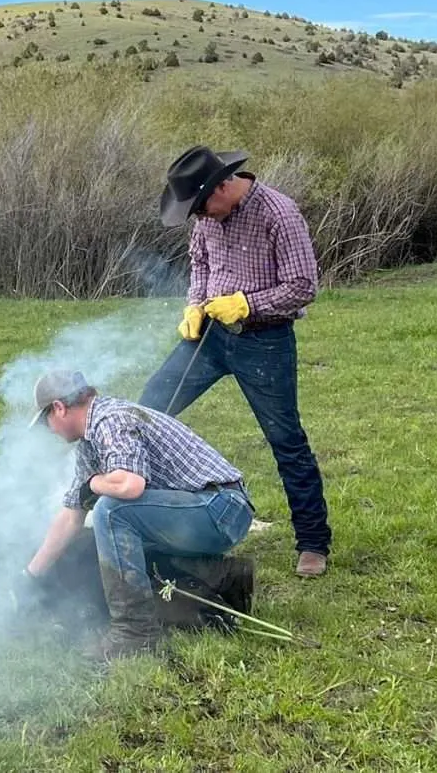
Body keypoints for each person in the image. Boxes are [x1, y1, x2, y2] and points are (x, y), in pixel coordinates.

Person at [139, 145, 332, 578]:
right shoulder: (207, 219)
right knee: (148, 411)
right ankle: (147, 516)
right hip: (210, 335)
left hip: (264, 341)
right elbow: (200, 263)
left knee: (285, 439)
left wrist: (247, 304)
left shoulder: (279, 214)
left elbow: (303, 286)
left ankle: (313, 543)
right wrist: (194, 304)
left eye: (201, 206)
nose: (200, 217)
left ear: (224, 185)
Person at [18, 370, 256, 662]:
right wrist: (30, 575)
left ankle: (136, 632)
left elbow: (130, 485)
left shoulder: (109, 419)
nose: (50, 429)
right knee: (115, 540)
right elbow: (71, 516)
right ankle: (224, 577)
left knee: (112, 512)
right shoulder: (89, 443)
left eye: (46, 421)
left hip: (220, 508)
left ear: (59, 407)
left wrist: (93, 484)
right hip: (210, 511)